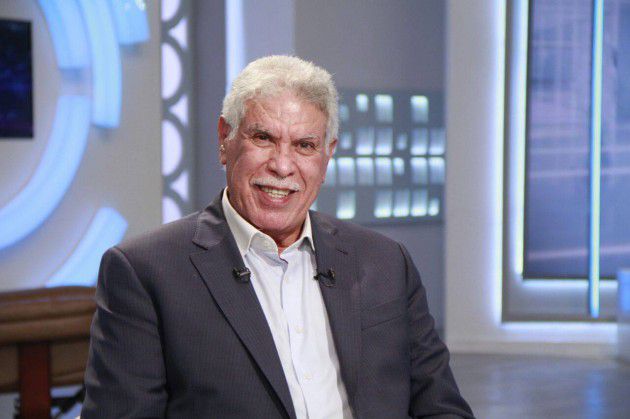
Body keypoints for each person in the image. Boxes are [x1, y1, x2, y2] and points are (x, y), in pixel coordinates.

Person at [82, 55, 474, 419]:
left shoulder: (385, 262)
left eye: (305, 146)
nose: (283, 166)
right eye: (263, 138)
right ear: (224, 139)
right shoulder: (146, 272)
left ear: (327, 156)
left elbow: (441, 408)